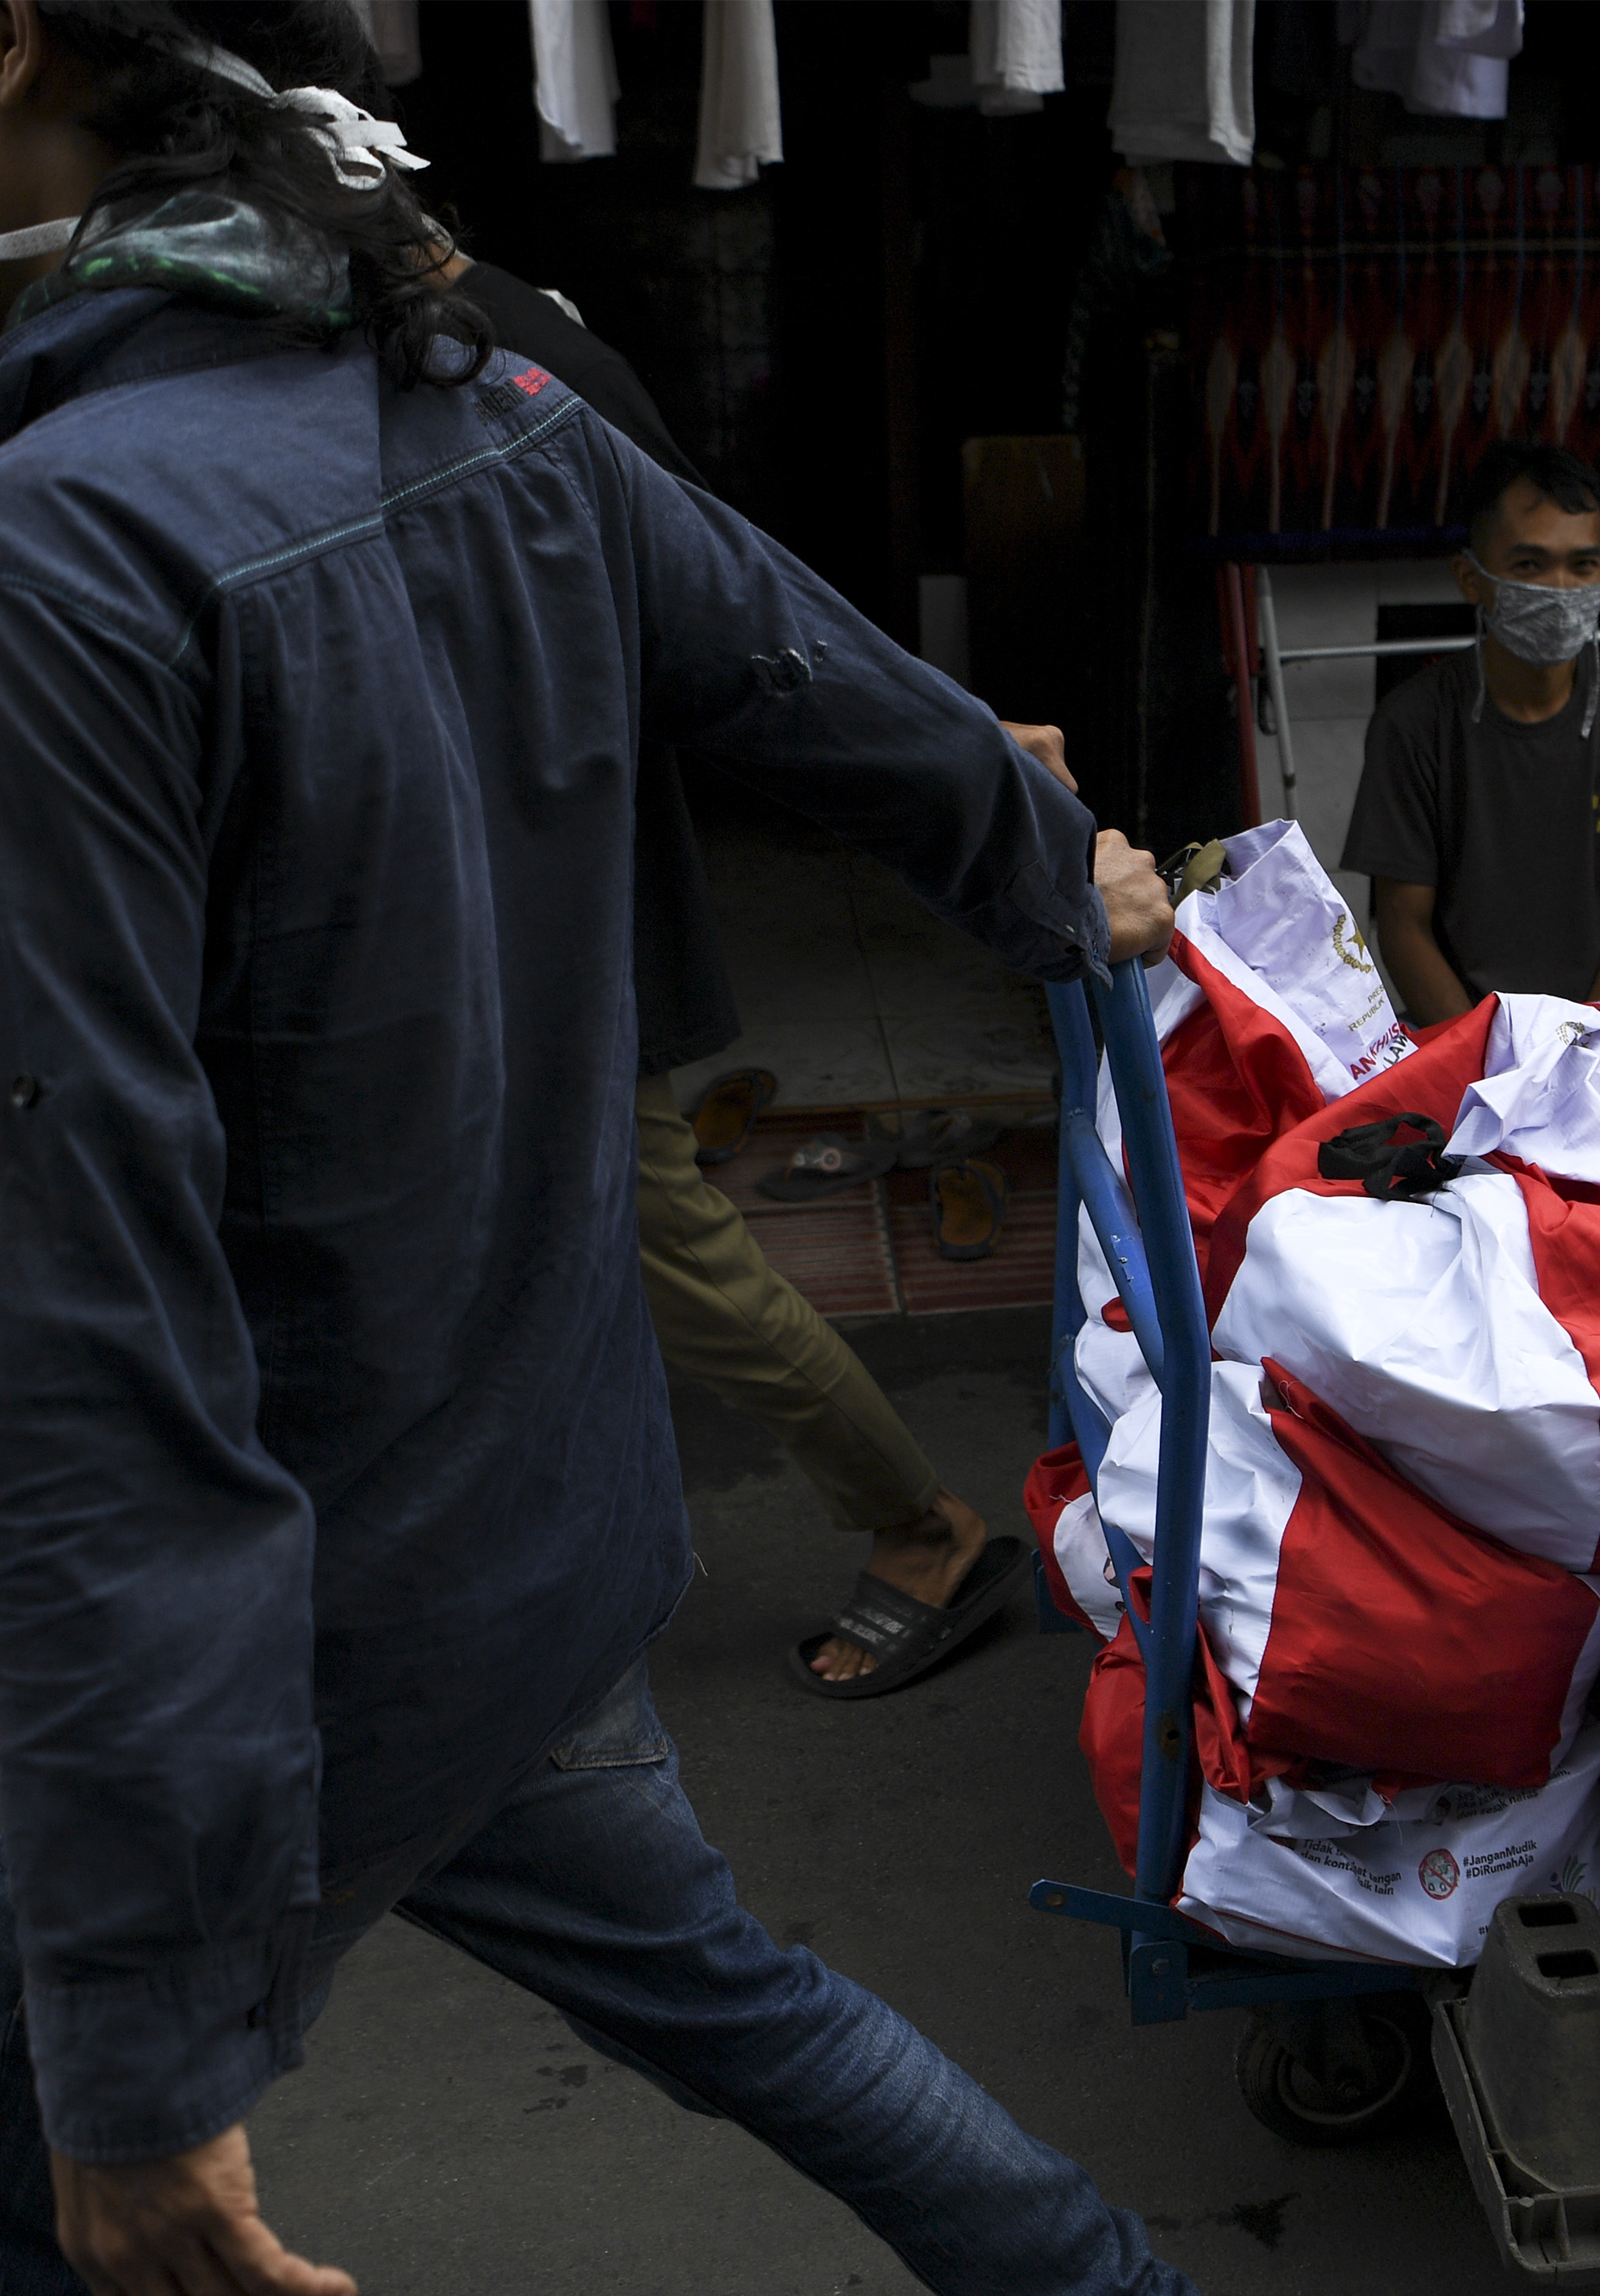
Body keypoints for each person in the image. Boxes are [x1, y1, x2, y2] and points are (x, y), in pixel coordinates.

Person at [0, 4, 1189, 2292]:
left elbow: (95, 1323)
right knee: (731, 1993)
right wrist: (1059, 861)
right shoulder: (472, 390)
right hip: (531, 1533)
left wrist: (140, 2041)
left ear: (14, 39)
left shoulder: (40, 548)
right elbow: (820, 679)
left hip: (319, 1627)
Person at [433, 233, 1037, 1692]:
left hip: (549, 911)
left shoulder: (516, 367)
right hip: (469, 903)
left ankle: (923, 1521)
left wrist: (983, 790)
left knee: (674, 1255)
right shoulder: (398, 342)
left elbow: (729, 623)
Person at [1341, 438, 1600, 1023]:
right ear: (1472, 578)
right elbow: (1401, 922)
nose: (1560, 589)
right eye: (1528, 565)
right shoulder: (1414, 722)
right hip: (1461, 1035)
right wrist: (1480, 1061)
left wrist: (1586, 1042)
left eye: (1582, 565)